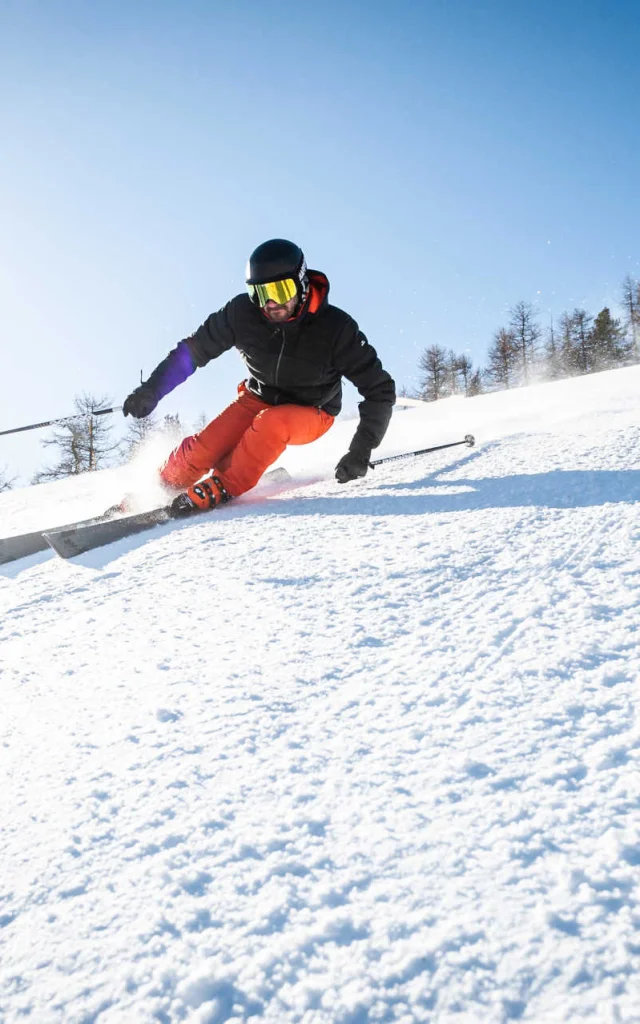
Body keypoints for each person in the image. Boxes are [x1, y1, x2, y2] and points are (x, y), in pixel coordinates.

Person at [122, 238, 396, 517]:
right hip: (259, 396)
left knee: (271, 424)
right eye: (261, 294)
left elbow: (380, 390)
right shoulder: (242, 313)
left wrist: (360, 451)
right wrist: (151, 391)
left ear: (301, 284)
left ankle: (226, 484)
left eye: (281, 290)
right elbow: (193, 351)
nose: (272, 303)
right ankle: (162, 486)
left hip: (312, 411)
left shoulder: (336, 328)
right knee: (203, 449)